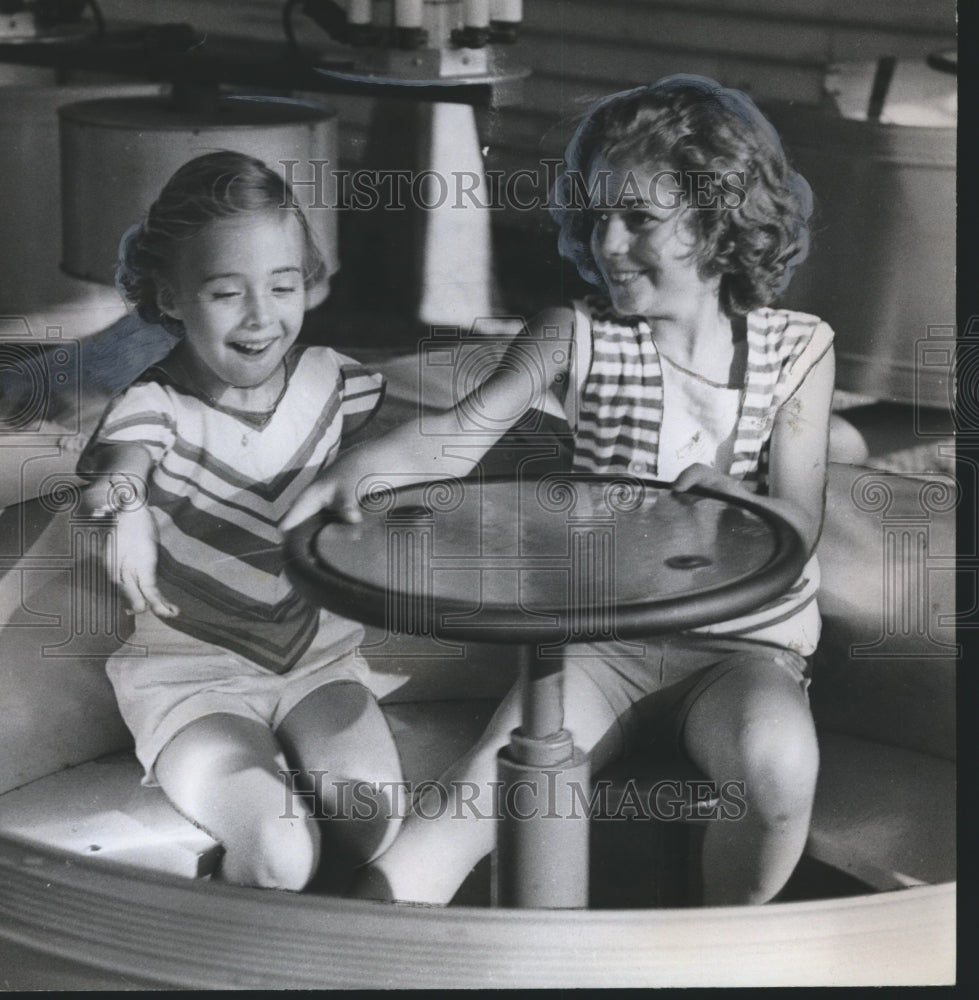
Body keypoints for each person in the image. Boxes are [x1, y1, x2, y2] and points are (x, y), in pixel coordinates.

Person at [281, 75, 835, 906]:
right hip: (600, 647)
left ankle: (717, 951)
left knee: (779, 764)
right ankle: (353, 941)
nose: (608, 242)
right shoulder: (576, 334)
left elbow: (801, 520)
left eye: (638, 219)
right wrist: (358, 470)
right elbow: (463, 429)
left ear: (718, 221)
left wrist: (734, 496)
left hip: (743, 653)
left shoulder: (797, 350)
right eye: (595, 215)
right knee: (482, 794)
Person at [77, 151, 404, 891]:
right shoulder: (155, 404)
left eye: (283, 286)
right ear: (169, 294)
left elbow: (424, 430)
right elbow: (118, 468)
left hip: (318, 664)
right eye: (226, 292)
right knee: (278, 848)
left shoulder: (334, 380)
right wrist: (127, 509)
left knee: (371, 817)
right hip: (192, 680)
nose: (262, 317)